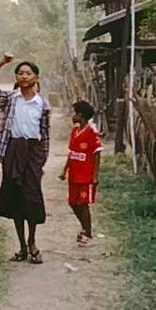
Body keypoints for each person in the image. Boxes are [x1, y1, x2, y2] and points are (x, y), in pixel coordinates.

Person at [0, 54, 51, 264]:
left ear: (36, 78)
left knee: (32, 198)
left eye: (28, 73)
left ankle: (32, 242)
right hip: (14, 150)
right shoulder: (11, 99)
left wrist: (40, 161)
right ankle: (21, 246)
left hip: (33, 152)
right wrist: (1, 63)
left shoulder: (43, 104)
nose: (24, 76)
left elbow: (45, 134)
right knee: (16, 199)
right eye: (20, 73)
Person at [60, 101, 103, 246]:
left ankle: (88, 233)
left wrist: (95, 175)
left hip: (85, 176)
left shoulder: (91, 132)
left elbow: (97, 154)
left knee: (83, 204)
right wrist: (64, 170)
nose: (73, 116)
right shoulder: (75, 131)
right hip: (74, 174)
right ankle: (84, 228)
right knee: (73, 202)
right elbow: (71, 152)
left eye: (75, 113)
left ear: (81, 115)